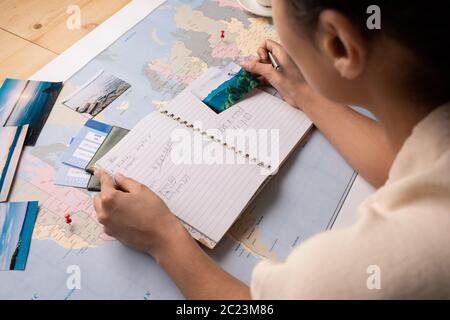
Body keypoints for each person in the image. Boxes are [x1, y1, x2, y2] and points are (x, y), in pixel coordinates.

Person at [93, 0, 450, 299]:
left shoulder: (371, 264)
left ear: (338, 44)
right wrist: (306, 92)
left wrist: (163, 238)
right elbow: (409, 164)